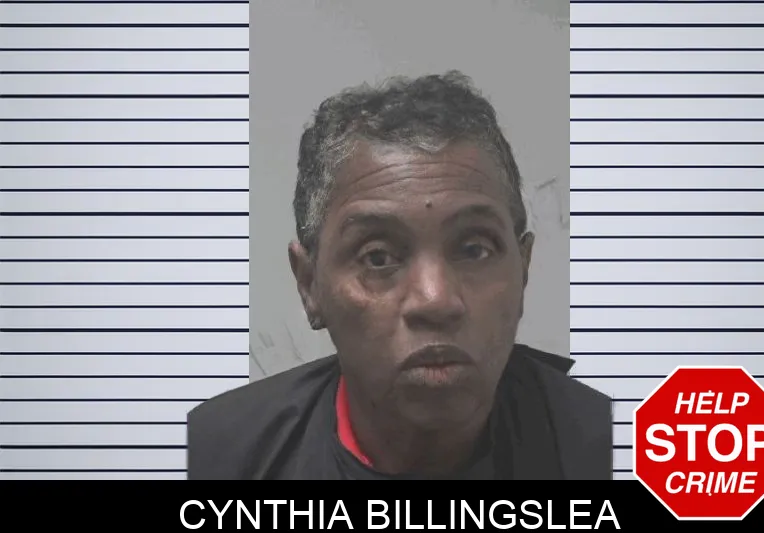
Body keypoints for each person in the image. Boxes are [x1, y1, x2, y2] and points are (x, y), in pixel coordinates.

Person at [187, 71, 612, 480]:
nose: (435, 299)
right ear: (309, 284)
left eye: (474, 250)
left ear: (524, 268)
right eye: (377, 258)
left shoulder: (615, 450)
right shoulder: (215, 456)